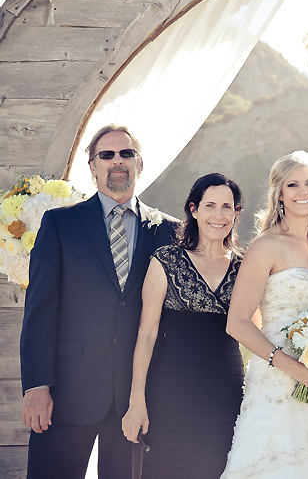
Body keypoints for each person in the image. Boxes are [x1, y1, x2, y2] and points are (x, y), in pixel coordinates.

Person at [20, 125, 178, 479]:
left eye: (126, 153)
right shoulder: (60, 223)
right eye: (107, 155)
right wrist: (36, 384)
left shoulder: (169, 231)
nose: (117, 161)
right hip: (67, 392)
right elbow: (39, 311)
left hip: (137, 398)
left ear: (140, 164)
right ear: (93, 166)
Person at [220, 151, 308, 479]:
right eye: (293, 184)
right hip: (277, 378)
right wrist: (293, 367)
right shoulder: (266, 246)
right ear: (280, 194)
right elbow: (237, 322)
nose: (303, 191)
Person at [121, 173, 245, 478]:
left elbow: (257, 329)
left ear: (236, 213)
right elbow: (146, 334)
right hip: (172, 392)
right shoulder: (166, 259)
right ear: (194, 210)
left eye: (227, 207)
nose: (219, 215)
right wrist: (137, 401)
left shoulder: (245, 266)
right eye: (210, 205)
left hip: (226, 394)